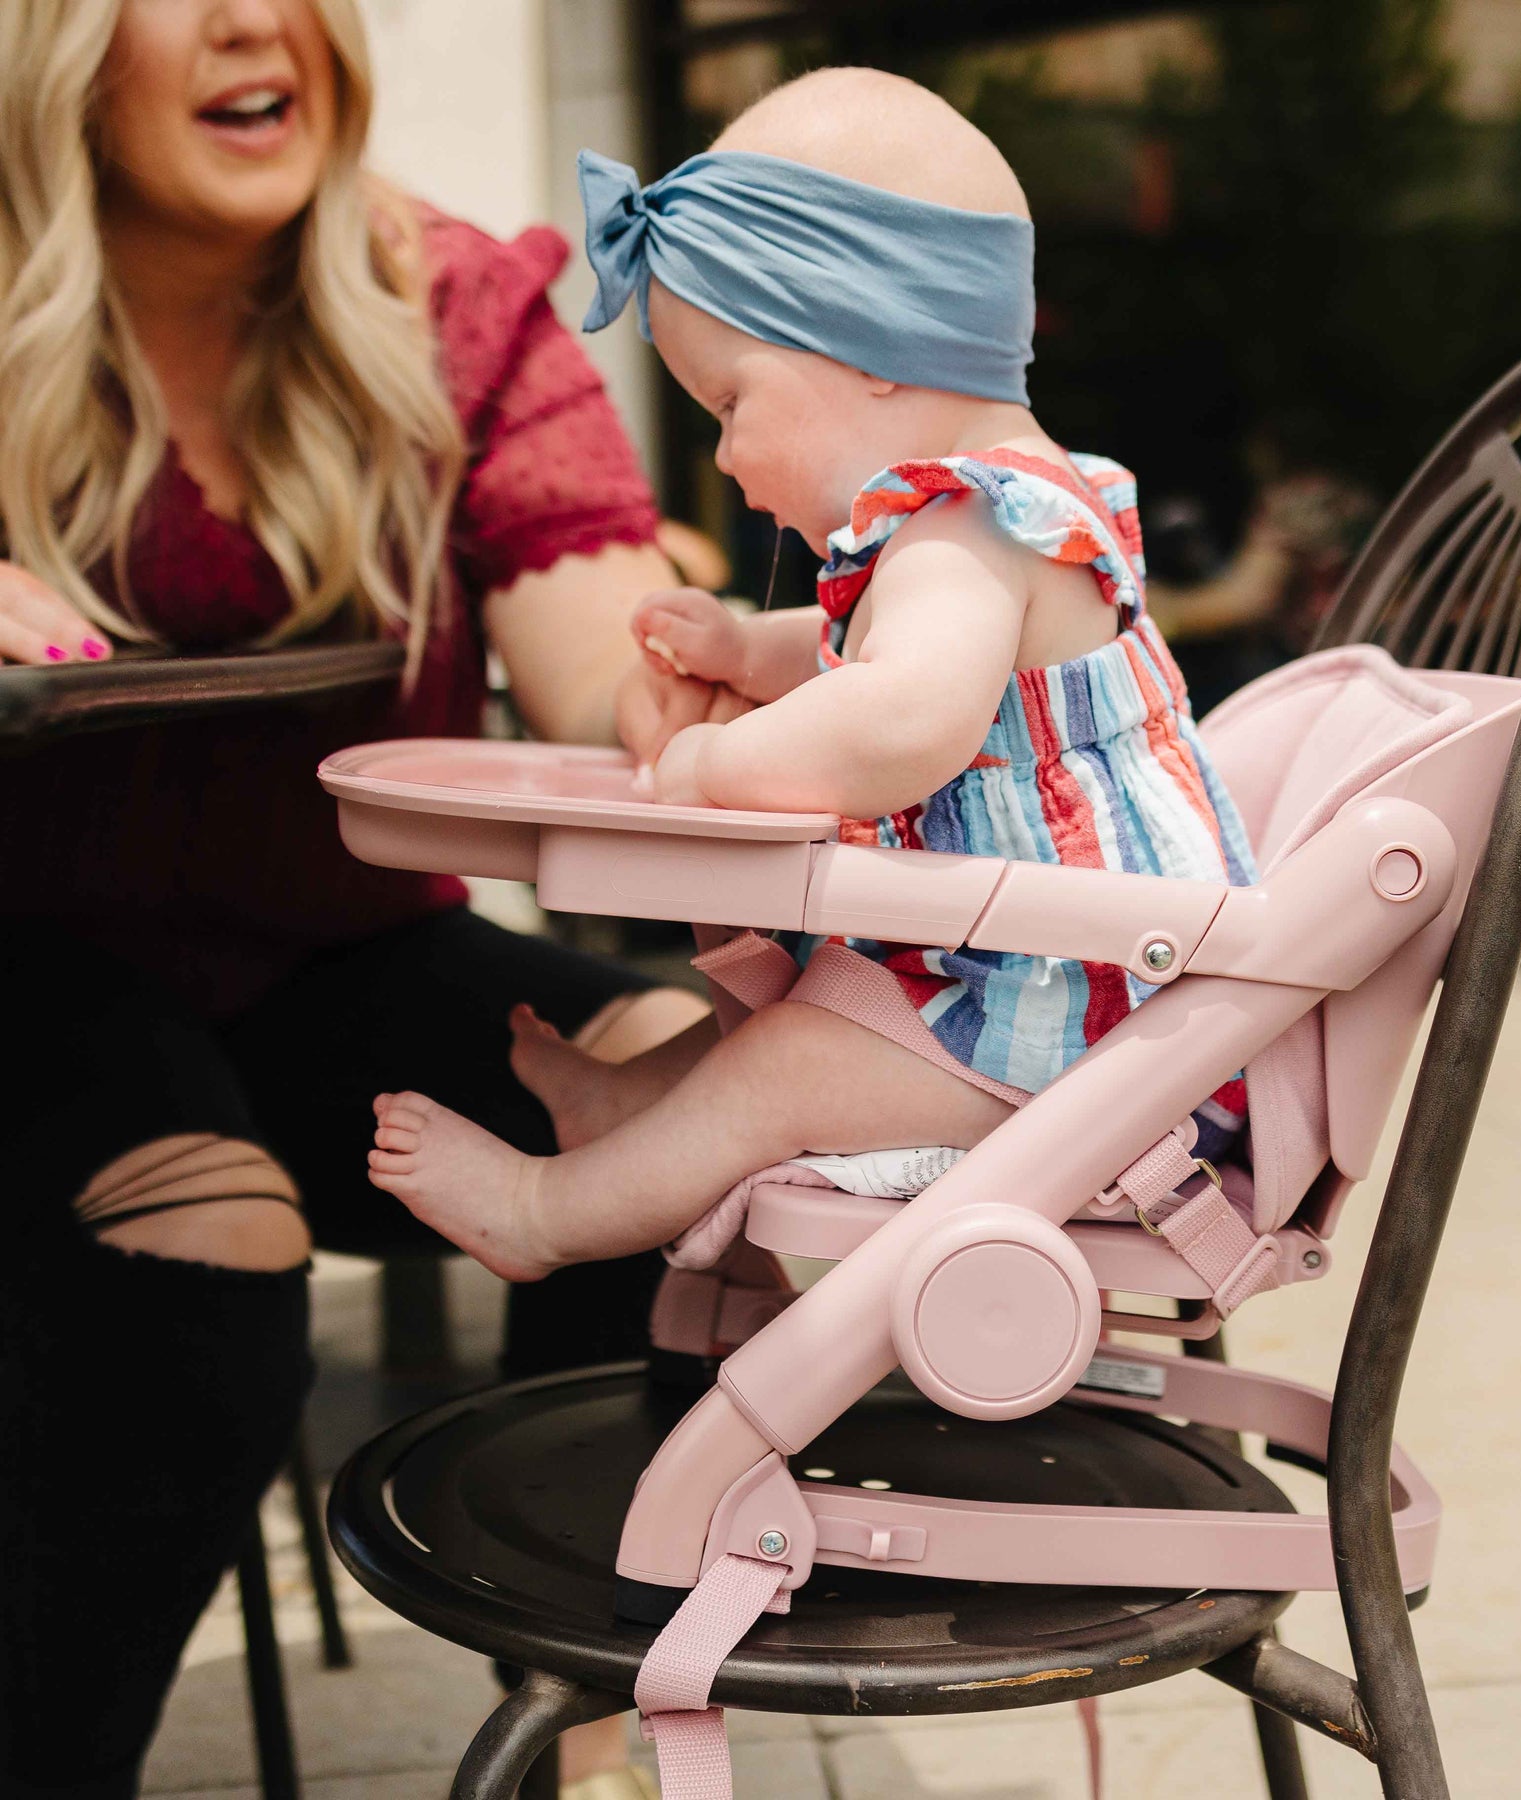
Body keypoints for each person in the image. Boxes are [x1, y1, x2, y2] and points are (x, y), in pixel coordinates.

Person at [0, 4, 724, 1793]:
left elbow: (593, 652)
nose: (257, 21)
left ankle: (584, 1735)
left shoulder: (453, 301)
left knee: (695, 1102)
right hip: (31, 971)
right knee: (201, 1240)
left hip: (340, 957)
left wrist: (696, 684)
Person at [361, 68, 1257, 1285]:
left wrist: (714, 761)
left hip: (1102, 1055)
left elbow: (902, 717)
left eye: (729, 403)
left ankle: (544, 1212)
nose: (726, 457)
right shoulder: (993, 522)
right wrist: (748, 651)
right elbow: (885, 655)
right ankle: (622, 1109)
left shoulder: (975, 523)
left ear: (871, 344)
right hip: (1059, 1003)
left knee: (796, 1061)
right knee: (814, 1007)